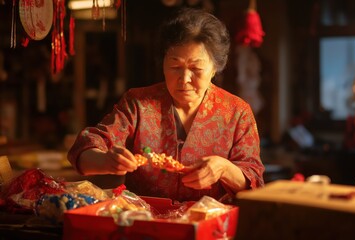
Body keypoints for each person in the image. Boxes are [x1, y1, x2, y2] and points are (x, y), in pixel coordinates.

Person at [67, 7, 265, 202]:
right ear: (163, 64)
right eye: (175, 67)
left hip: (208, 226)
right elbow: (83, 149)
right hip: (144, 223)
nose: (184, 78)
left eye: (196, 68)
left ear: (215, 68)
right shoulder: (138, 104)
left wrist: (225, 169)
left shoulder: (237, 112)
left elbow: (254, 183)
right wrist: (106, 161)